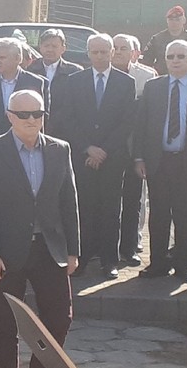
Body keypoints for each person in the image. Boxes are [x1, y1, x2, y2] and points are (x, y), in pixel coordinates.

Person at [0, 89, 79, 368]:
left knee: (60, 319)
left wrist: (73, 251)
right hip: (6, 252)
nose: (31, 119)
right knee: (5, 324)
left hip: (49, 249)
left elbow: (69, 202)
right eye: (23, 114)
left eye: (37, 113)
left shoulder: (60, 149)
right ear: (9, 116)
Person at [59, 34, 136, 280]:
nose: (100, 56)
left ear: (112, 52)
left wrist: (104, 150)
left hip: (112, 158)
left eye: (104, 52)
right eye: (95, 52)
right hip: (83, 157)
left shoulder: (126, 82)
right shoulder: (74, 81)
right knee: (84, 207)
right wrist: (87, 147)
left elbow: (127, 121)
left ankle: (109, 261)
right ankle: (82, 258)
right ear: (88, 53)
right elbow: (68, 118)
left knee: (111, 210)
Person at [134, 40, 187, 283]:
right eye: (170, 56)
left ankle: (184, 264)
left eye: (180, 56)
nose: (175, 60)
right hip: (159, 162)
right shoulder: (153, 87)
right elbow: (141, 124)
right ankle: (158, 263)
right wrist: (139, 157)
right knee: (159, 215)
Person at [112, 34, 157, 266]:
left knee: (134, 199)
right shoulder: (103, 74)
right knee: (107, 200)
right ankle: (106, 245)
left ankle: (130, 245)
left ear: (134, 52)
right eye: (115, 47)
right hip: (109, 147)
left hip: (135, 147)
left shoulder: (147, 76)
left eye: (124, 48)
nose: (118, 52)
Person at [0, 38, 49, 163]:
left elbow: (41, 119)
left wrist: (40, 153)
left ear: (18, 58)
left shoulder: (35, 82)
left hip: (23, 149)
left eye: (2, 58)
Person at [27, 29, 82, 137]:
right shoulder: (30, 69)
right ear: (40, 47)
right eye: (46, 46)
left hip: (66, 129)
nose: (50, 49)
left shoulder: (74, 72)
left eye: (54, 46)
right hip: (36, 127)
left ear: (63, 48)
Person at [141, 5, 187, 75]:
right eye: (171, 19)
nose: (174, 22)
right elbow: (146, 62)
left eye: (177, 20)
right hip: (162, 77)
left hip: (186, 78)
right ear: (167, 21)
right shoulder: (157, 39)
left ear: (184, 20)